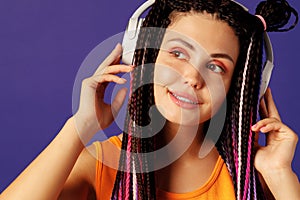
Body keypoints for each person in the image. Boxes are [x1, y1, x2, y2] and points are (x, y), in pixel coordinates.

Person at [1, 0, 299, 199]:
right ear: (146, 56)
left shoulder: (254, 176)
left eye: (216, 66)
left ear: (237, 85)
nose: (193, 77)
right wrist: (79, 127)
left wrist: (279, 175)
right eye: (178, 53)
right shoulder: (101, 164)